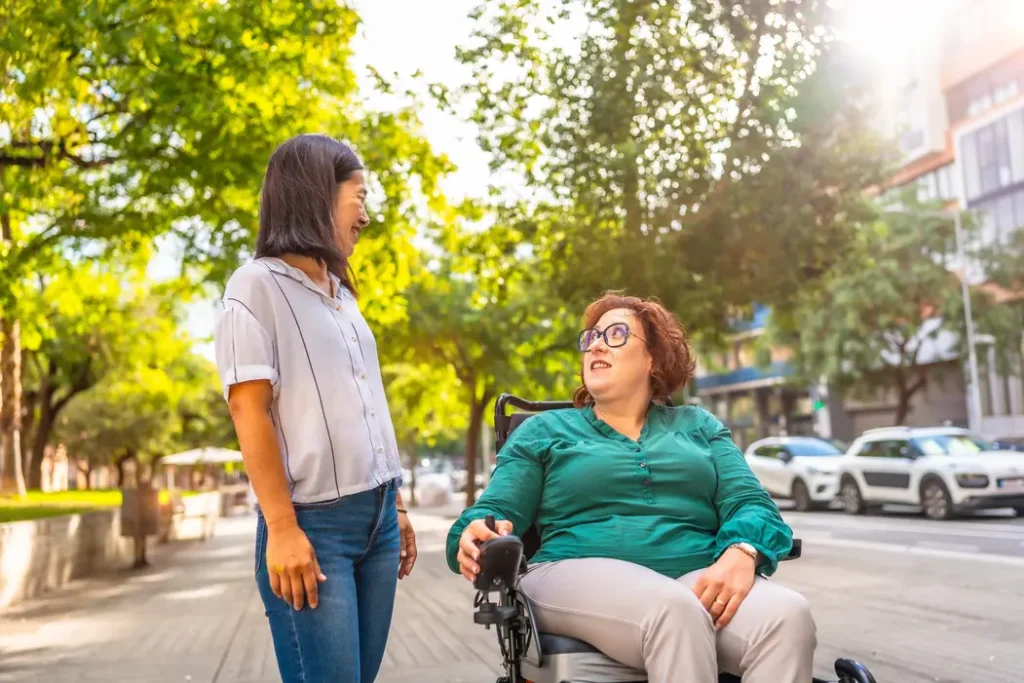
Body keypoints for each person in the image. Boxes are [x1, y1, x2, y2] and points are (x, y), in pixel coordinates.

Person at [446, 293, 816, 683]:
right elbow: (496, 508)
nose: (598, 344)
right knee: (673, 609)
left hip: (692, 575)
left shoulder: (699, 426)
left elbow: (751, 503)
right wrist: (475, 533)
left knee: (788, 617)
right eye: (591, 337)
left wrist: (744, 552)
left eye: (617, 334)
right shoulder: (545, 431)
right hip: (571, 572)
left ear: (653, 359)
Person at [214, 134, 416, 683]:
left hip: (377, 522)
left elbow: (369, 401)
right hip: (312, 528)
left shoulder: (342, 295)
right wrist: (281, 527)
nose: (366, 216)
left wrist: (393, 504)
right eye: (359, 196)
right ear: (315, 196)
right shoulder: (253, 287)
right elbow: (248, 412)